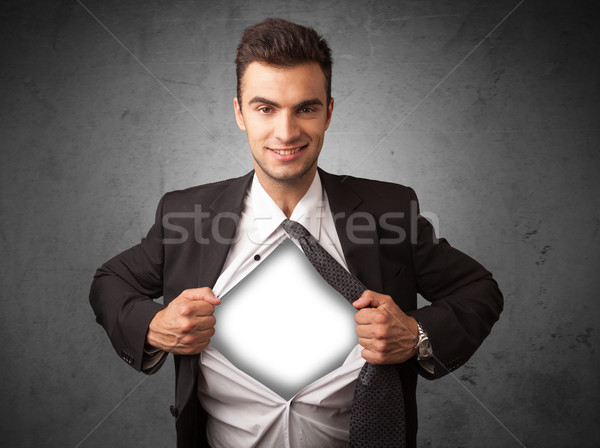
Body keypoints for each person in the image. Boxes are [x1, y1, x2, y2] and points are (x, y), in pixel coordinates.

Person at [90, 18, 503, 448]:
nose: (286, 132)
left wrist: (415, 336)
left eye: (305, 108)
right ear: (239, 113)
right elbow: (109, 282)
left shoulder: (390, 210)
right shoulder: (184, 215)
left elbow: (479, 290)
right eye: (265, 108)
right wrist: (153, 326)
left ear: (328, 112)